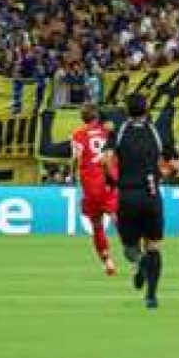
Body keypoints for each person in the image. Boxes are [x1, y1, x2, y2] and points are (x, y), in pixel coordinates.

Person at [101, 93, 179, 309]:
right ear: (146, 110)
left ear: (127, 110)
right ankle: (151, 296)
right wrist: (162, 174)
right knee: (154, 246)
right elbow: (175, 164)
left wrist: (112, 180)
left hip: (127, 195)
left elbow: (106, 160)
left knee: (130, 249)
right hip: (151, 194)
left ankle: (141, 263)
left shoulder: (118, 133)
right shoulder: (158, 132)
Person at [70, 103, 118, 276]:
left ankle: (108, 261)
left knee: (97, 225)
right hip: (107, 180)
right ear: (96, 117)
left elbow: (76, 158)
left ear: (82, 118)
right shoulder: (107, 132)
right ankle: (134, 251)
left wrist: (71, 175)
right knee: (117, 218)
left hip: (90, 185)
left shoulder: (78, 135)